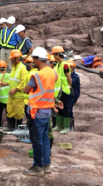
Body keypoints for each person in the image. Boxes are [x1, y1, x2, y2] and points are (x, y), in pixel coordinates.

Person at [22, 47, 62, 177]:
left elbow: (25, 90)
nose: (33, 62)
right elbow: (50, 84)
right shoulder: (53, 72)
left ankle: (37, 167)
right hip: (47, 111)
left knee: (36, 140)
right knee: (45, 138)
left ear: (38, 59)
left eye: (34, 59)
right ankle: (46, 165)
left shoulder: (37, 75)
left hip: (37, 111)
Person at [51, 46, 73, 135]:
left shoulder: (64, 64)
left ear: (58, 54)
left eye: (54, 54)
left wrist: (69, 87)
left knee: (64, 108)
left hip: (64, 90)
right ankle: (59, 125)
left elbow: (69, 78)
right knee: (59, 108)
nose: (53, 56)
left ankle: (66, 127)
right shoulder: (58, 65)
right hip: (58, 90)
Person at [6, 50, 27, 130]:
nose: (11, 60)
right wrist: (6, 83)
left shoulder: (22, 68)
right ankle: (10, 128)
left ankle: (19, 130)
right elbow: (13, 80)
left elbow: (23, 82)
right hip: (11, 95)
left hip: (18, 96)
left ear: (17, 58)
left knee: (18, 113)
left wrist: (15, 89)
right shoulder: (14, 68)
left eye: (12, 58)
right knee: (10, 112)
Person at [65, 60, 81, 131]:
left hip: (73, 95)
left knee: (69, 108)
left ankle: (70, 126)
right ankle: (65, 125)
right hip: (67, 94)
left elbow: (70, 83)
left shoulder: (75, 76)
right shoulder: (66, 75)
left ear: (72, 68)